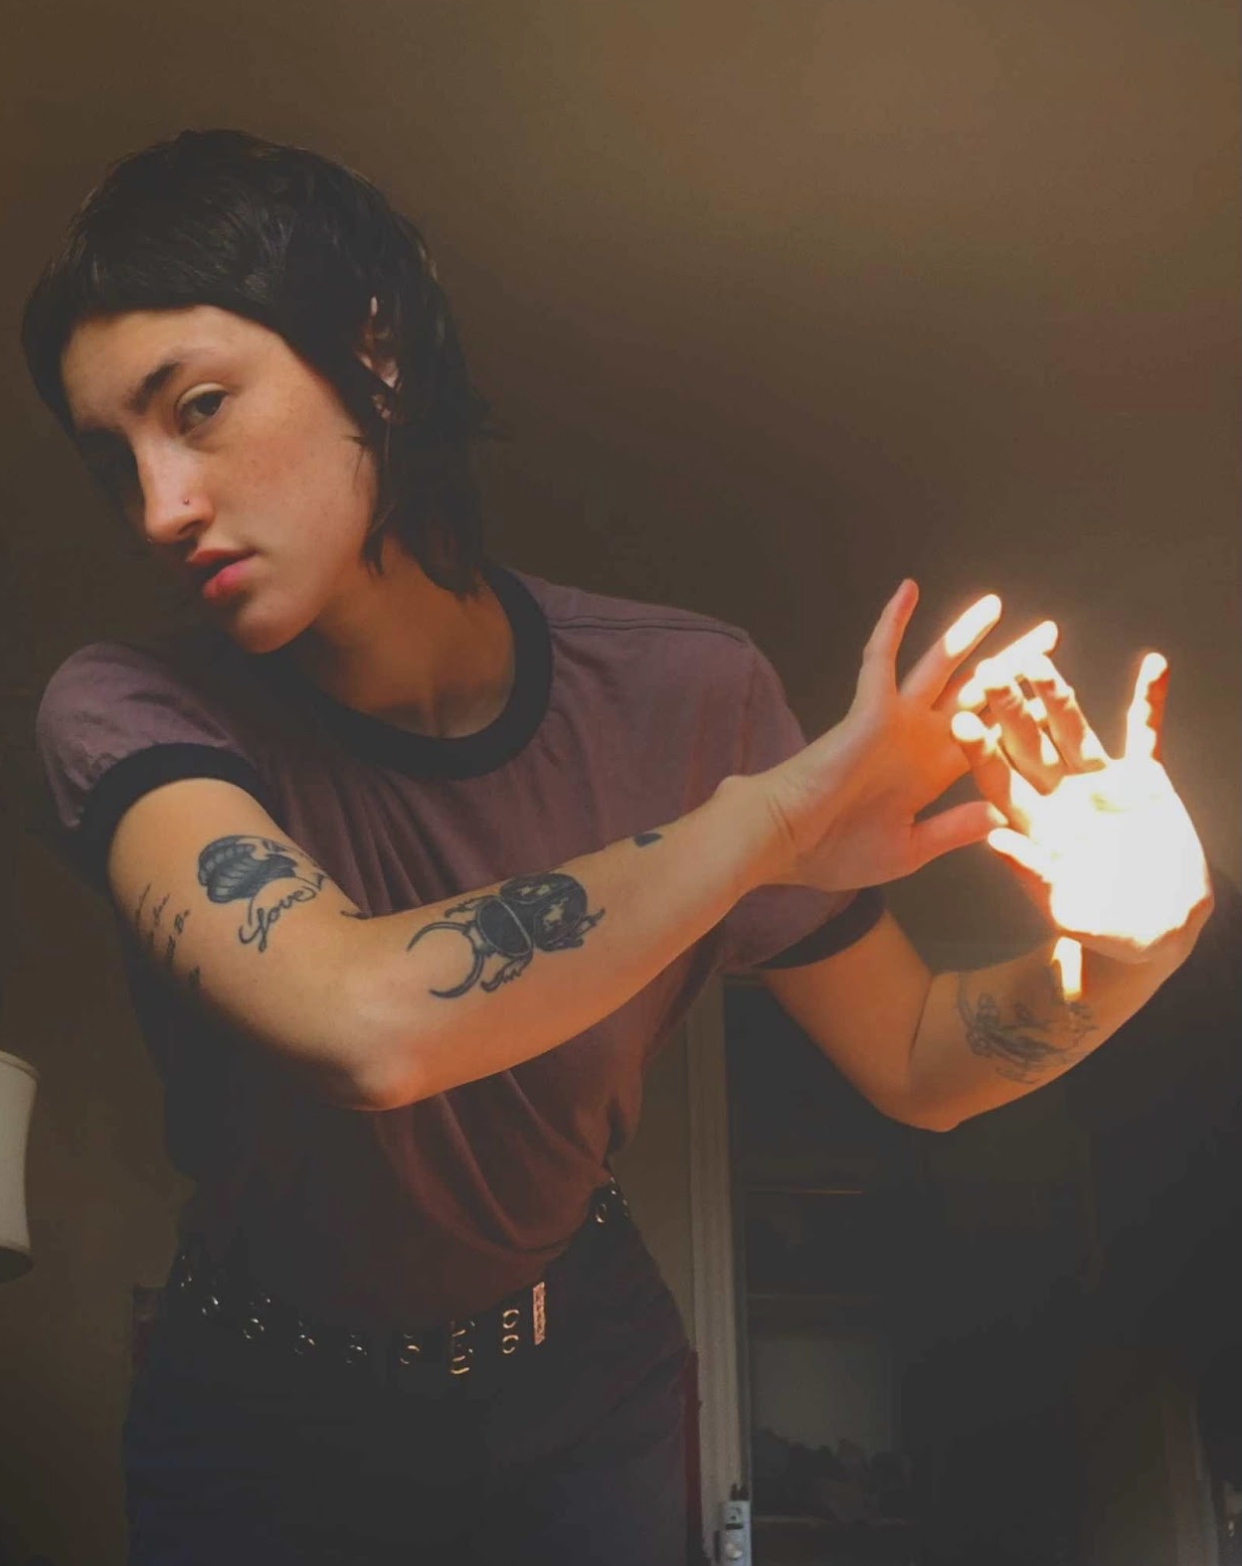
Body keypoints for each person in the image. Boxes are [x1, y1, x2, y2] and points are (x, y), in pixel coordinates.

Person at [19, 128, 1213, 1565]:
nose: (159, 508)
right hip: (262, 1411)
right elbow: (361, 1024)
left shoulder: (684, 694)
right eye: (116, 460)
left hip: (580, 1388)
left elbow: (913, 1055)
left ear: (372, 355)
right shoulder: (124, 709)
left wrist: (1133, 947)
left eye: (198, 408)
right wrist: (764, 823)